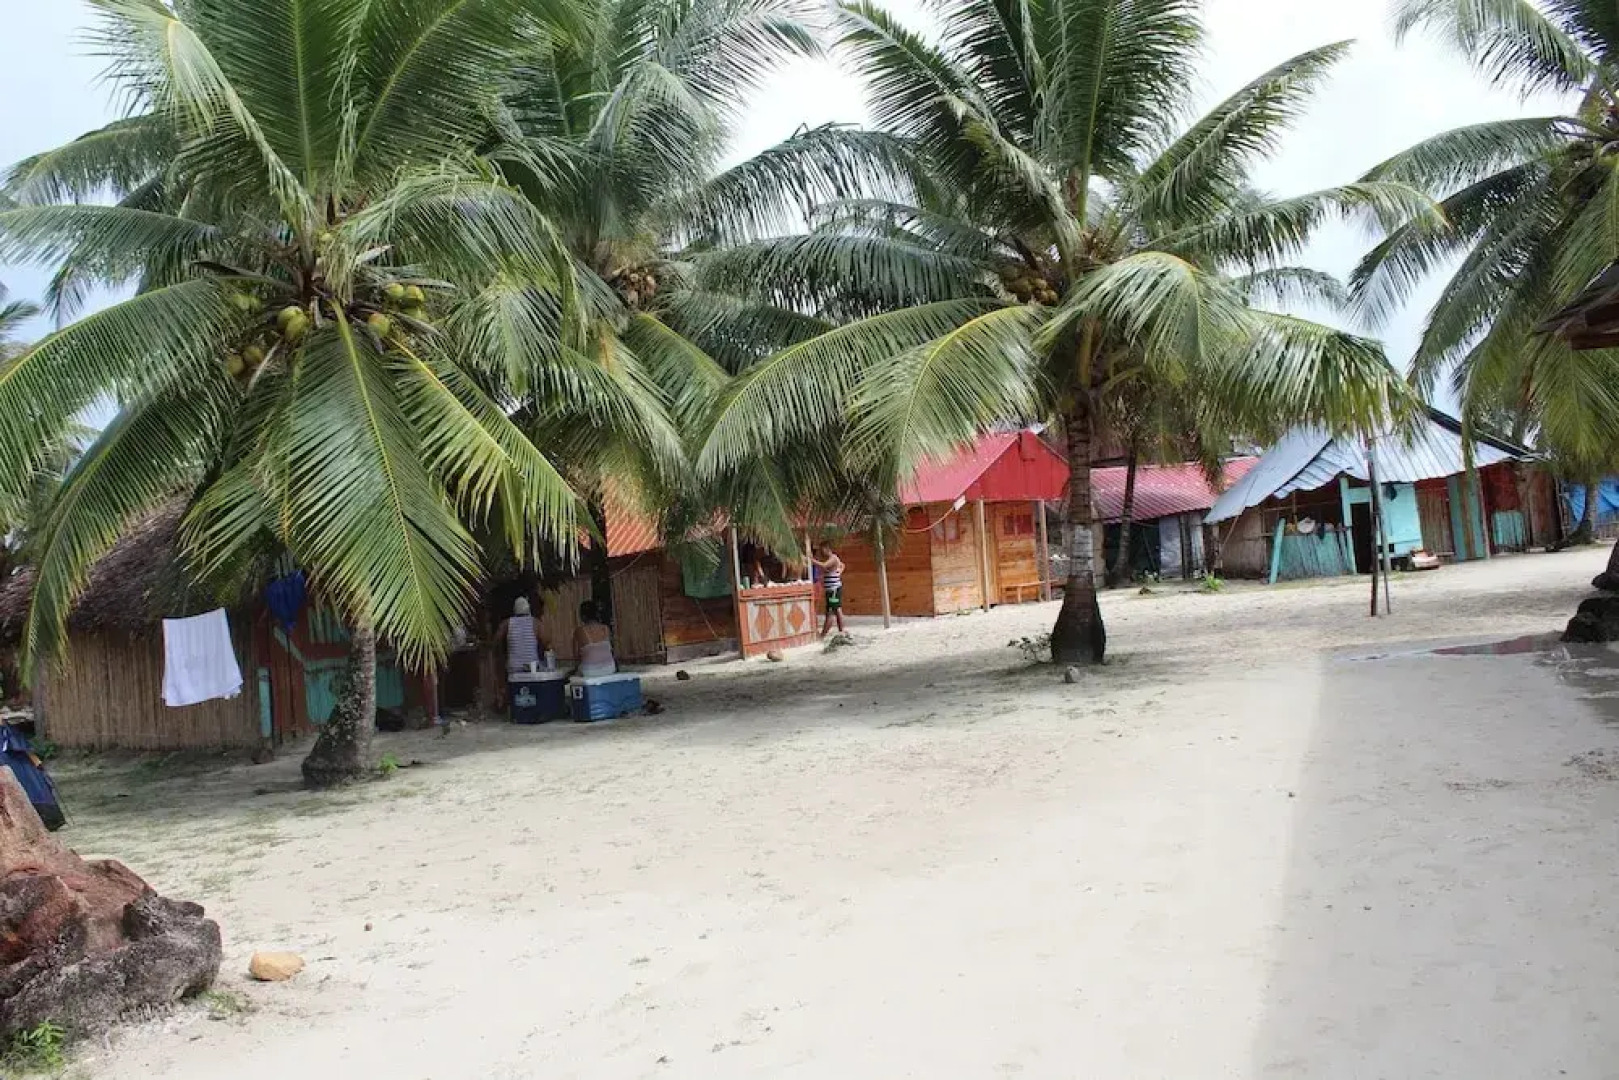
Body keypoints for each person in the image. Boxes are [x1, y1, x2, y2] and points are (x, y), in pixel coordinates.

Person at [494, 597, 547, 673]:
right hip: (532, 666)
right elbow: (546, 640)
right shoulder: (535, 623)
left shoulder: (507, 623)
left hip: (513, 666)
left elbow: (496, 640)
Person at [574, 600, 617, 678]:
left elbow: (576, 655)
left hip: (590, 671)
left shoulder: (580, 631)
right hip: (610, 668)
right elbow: (611, 649)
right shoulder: (605, 629)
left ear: (583, 616)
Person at [811, 543, 845, 638]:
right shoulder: (833, 559)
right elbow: (842, 565)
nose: (821, 552)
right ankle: (840, 631)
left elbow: (824, 566)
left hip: (833, 589)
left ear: (827, 549)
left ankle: (825, 634)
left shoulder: (833, 558)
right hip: (831, 589)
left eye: (822, 550)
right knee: (835, 610)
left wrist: (811, 560)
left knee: (833, 611)